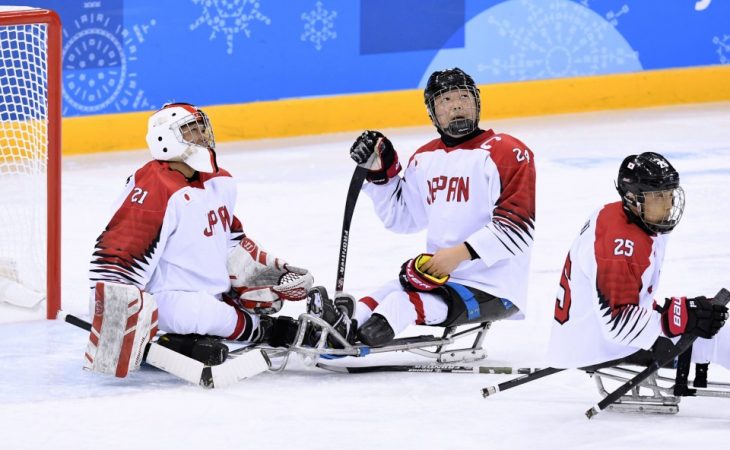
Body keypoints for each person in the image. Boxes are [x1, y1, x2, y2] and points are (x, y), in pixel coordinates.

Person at [309, 68, 536, 347]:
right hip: (438, 278)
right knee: (384, 294)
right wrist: (382, 175)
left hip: (493, 287)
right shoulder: (426, 158)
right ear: (432, 113)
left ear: (477, 102)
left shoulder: (507, 152)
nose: (456, 106)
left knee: (400, 304)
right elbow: (403, 219)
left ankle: (346, 339)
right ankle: (331, 328)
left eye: (464, 97)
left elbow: (517, 228)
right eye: (445, 100)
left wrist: (457, 255)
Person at [84, 102, 312, 376]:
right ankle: (264, 331)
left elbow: (229, 239)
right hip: (165, 300)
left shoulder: (220, 181)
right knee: (201, 313)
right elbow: (117, 257)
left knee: (217, 309)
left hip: (210, 293)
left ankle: (193, 339)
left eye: (201, 127)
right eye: (190, 131)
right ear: (164, 141)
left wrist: (262, 273)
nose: (202, 135)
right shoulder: (154, 188)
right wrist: (113, 324)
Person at [547, 152, 729, 370]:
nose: (669, 204)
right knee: (721, 339)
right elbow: (617, 324)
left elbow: (629, 298)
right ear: (633, 198)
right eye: (659, 196)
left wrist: (684, 313)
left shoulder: (620, 216)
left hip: (584, 337)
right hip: (603, 346)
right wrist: (679, 319)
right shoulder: (621, 246)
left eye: (670, 194)